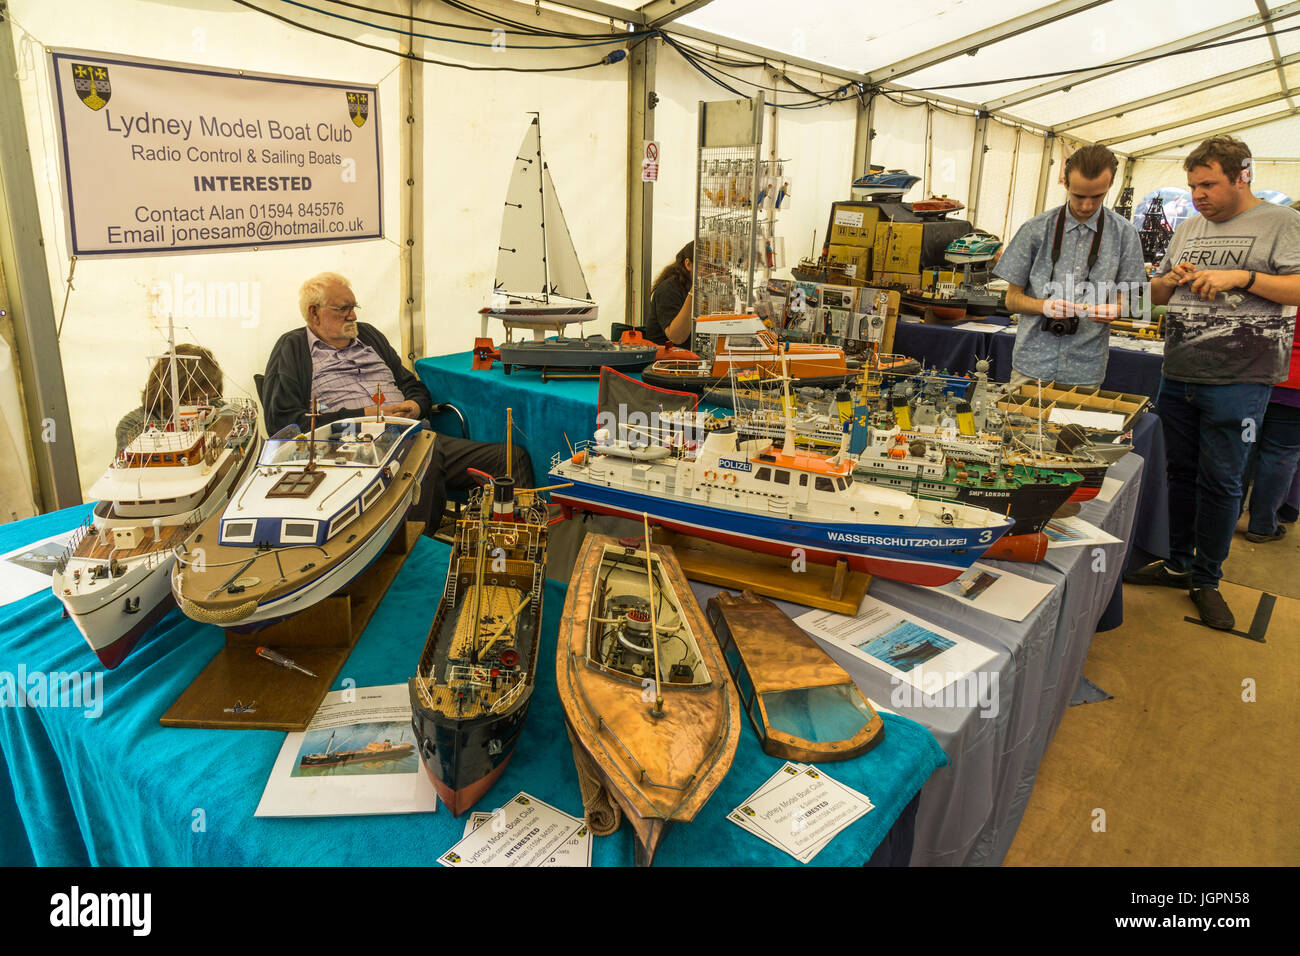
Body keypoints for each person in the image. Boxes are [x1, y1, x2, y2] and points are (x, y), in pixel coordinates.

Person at [1125, 136, 1300, 629]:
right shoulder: (1187, 227)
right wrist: (1170, 280)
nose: (1198, 194)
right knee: (1178, 474)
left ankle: (1208, 577)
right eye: (1193, 185)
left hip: (1241, 379)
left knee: (1221, 482)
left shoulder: (1282, 223)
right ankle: (1179, 562)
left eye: (1208, 184)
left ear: (1242, 176)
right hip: (1179, 372)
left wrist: (1241, 278)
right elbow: (1153, 292)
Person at [262, 272, 533, 534]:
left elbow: (413, 385)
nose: (353, 315)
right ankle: (414, 556)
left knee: (510, 460)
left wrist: (415, 405)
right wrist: (366, 416)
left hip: (413, 433)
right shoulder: (293, 347)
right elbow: (283, 421)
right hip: (353, 452)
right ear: (314, 312)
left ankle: (509, 550)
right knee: (425, 455)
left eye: (354, 307)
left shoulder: (368, 336)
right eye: (343, 309)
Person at [994, 144, 1146, 387]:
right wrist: (1046, 306)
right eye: (1078, 196)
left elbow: (1136, 304)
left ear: (1110, 185)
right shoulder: (1035, 230)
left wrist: (1116, 309)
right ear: (1065, 183)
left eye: (1097, 196)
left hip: (1085, 371)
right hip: (1031, 367)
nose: (1086, 205)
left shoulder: (1125, 235)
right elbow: (1012, 300)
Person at [1243, 313, 1300, 542]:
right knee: (1281, 454)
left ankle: (1227, 515)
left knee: (1244, 447)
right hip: (1293, 389)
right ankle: (1262, 524)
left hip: (1253, 377)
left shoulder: (1269, 278)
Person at [115, 344, 223, 454]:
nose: (206, 406)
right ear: (170, 395)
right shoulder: (133, 426)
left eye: (211, 397)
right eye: (196, 400)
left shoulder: (217, 407)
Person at [643, 241, 694, 347]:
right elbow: (676, 337)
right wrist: (694, 292)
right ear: (688, 264)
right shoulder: (668, 289)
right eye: (707, 266)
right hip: (665, 359)